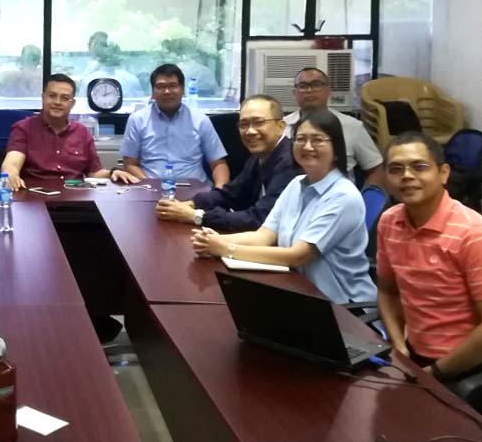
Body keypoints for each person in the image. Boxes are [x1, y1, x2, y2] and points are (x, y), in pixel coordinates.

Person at [376, 132, 482, 420]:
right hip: (416, 356)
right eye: (396, 169)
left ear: (443, 173)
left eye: (419, 167)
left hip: (471, 370)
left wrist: (435, 372)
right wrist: (398, 345)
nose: (407, 176)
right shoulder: (390, 222)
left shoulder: (473, 234)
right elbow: (388, 291)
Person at [191, 109, 377, 306]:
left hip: (343, 307)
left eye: (317, 140)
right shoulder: (297, 184)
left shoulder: (343, 196)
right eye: (300, 139)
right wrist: (212, 240)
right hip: (299, 291)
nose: (307, 146)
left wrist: (226, 248)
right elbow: (264, 236)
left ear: (337, 149)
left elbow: (297, 256)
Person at [156, 95, 297, 232]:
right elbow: (230, 194)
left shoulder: (289, 163)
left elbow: (259, 220)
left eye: (259, 123)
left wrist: (195, 216)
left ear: (281, 126)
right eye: (243, 124)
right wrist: (191, 204)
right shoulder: (260, 156)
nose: (250, 131)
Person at [1, 73, 138, 190]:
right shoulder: (24, 128)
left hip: (75, 199)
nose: (57, 102)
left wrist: (114, 172)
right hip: (35, 200)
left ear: (72, 104)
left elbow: (94, 172)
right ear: (43, 98)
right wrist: (11, 174)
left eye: (65, 98)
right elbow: (11, 163)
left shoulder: (82, 132)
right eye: (52, 96)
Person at [121, 63, 230, 187]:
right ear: (153, 92)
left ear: (182, 89)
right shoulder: (137, 120)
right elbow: (130, 164)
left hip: (195, 189)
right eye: (161, 87)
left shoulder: (200, 120)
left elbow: (218, 164)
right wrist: (151, 186)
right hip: (151, 188)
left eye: (173, 86)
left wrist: (219, 193)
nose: (167, 91)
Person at [281, 67, 383, 183]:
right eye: (303, 86)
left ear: (328, 91)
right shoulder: (282, 126)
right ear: (295, 93)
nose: (309, 90)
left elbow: (376, 169)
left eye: (316, 85)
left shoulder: (352, 126)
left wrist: (369, 198)